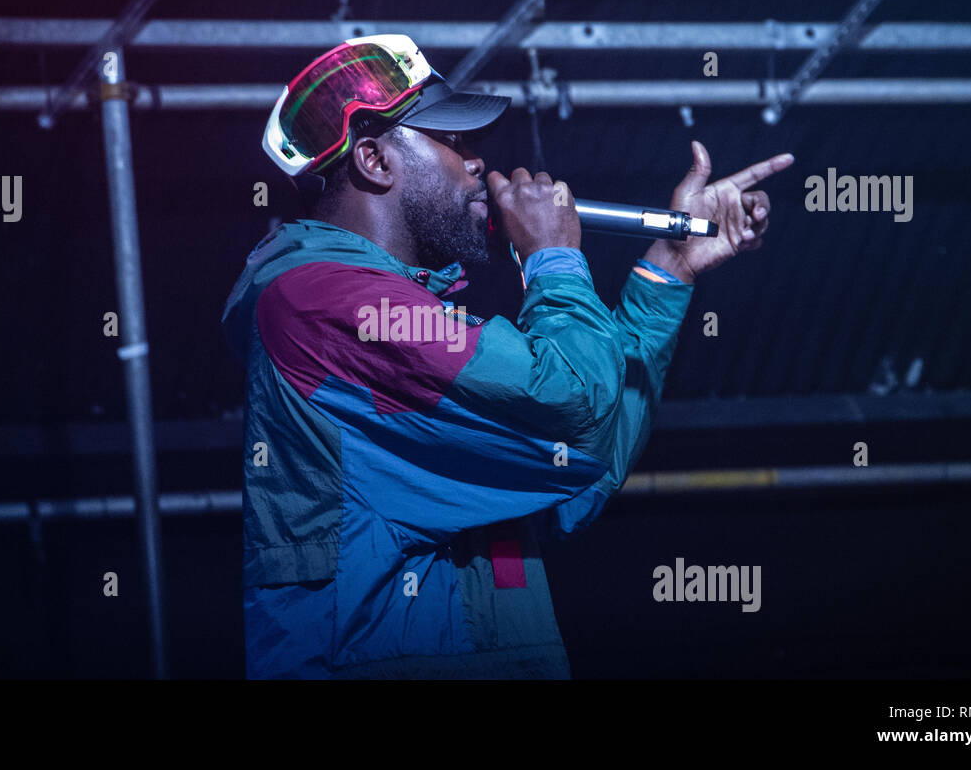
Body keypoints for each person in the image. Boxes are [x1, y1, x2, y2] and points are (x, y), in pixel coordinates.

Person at [223, 34, 792, 678]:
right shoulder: (321, 302)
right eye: (453, 139)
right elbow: (571, 410)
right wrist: (552, 257)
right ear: (376, 161)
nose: (478, 163)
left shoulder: (393, 307)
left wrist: (669, 271)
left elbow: (580, 464)